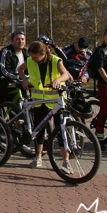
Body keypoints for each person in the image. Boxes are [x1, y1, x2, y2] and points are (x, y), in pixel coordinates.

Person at [17, 40, 72, 172]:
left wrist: (58, 80)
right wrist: (24, 80)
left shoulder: (55, 60)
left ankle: (66, 161)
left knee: (60, 129)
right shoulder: (30, 60)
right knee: (39, 128)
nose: (33, 60)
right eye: (31, 57)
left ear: (43, 53)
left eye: (36, 57)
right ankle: (38, 157)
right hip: (39, 100)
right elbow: (20, 69)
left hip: (55, 100)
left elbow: (65, 74)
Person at [0, 30, 28, 109]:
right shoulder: (6, 51)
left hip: (16, 86)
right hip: (1, 84)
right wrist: (17, 77)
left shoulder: (26, 53)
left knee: (16, 110)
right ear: (12, 41)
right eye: (17, 39)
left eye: (22, 39)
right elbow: (4, 69)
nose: (20, 41)